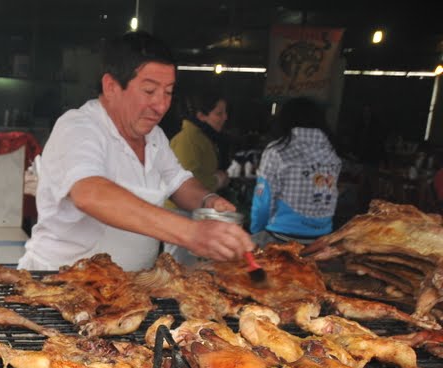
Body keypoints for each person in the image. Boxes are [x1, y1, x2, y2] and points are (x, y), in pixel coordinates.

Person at [18, 31, 252, 272]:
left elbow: (178, 182)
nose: (161, 105)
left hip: (127, 290)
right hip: (59, 285)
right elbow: (90, 194)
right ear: (111, 86)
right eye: (149, 91)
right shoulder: (78, 127)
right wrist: (191, 232)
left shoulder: (154, 136)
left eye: (168, 92)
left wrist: (208, 201)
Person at [250, 97, 341, 245]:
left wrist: (256, 231)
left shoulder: (278, 150)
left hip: (281, 237)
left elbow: (263, 201)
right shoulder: (331, 152)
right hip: (321, 240)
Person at [168, 88, 230, 194]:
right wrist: (217, 180)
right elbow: (185, 183)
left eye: (225, 112)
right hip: (180, 209)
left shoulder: (203, 138)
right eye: (219, 113)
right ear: (201, 116)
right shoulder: (188, 140)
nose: (225, 117)